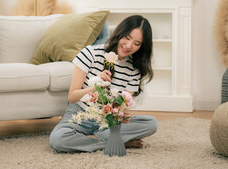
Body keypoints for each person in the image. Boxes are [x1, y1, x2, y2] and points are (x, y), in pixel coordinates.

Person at [50, 15, 158, 153]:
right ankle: (115, 141)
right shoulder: (90, 53)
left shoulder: (134, 70)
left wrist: (119, 113)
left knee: (151, 123)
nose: (129, 46)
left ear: (142, 47)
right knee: (58, 140)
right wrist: (94, 88)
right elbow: (72, 97)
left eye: (137, 44)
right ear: (119, 33)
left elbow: (122, 106)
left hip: (108, 122)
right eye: (127, 37)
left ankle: (103, 139)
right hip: (79, 115)